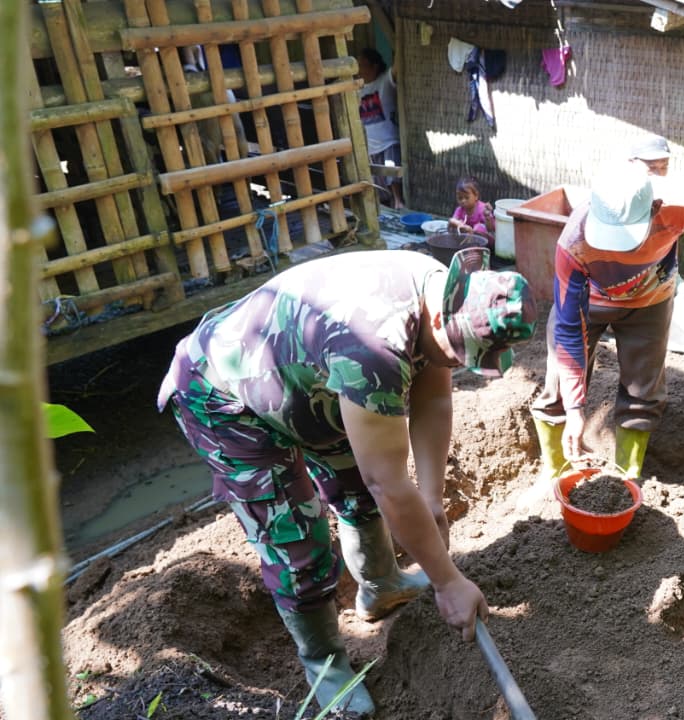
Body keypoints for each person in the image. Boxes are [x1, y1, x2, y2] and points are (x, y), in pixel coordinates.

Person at [157, 247, 536, 715]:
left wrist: (433, 498)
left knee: (356, 490)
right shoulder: (375, 346)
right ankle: (325, 666)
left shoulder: (440, 288)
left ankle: (380, 585)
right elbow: (388, 484)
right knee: (296, 539)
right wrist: (447, 582)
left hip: (311, 381)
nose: (458, 364)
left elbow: (434, 397)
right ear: (442, 318)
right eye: (459, 353)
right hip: (224, 393)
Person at [529, 160, 684, 486]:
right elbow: (568, 329)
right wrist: (575, 409)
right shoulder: (573, 243)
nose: (612, 248)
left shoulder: (680, 209)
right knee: (559, 384)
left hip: (650, 299)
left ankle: (626, 481)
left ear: (655, 208)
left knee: (642, 388)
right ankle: (555, 476)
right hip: (589, 301)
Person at [357, 48, 404, 209]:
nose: (359, 69)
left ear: (374, 66)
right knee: (378, 184)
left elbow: (397, 68)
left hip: (388, 141)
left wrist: (398, 44)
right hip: (369, 145)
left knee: (392, 176)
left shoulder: (385, 81)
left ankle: (398, 202)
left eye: (362, 65)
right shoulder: (358, 89)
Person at [449, 176, 495, 248]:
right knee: (452, 227)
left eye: (466, 197)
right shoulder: (460, 210)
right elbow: (452, 220)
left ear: (476, 196)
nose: (463, 201)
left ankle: (476, 249)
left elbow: (490, 229)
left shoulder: (482, 209)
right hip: (468, 239)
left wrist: (487, 216)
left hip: (484, 241)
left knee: (478, 228)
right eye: (460, 198)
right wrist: (461, 224)